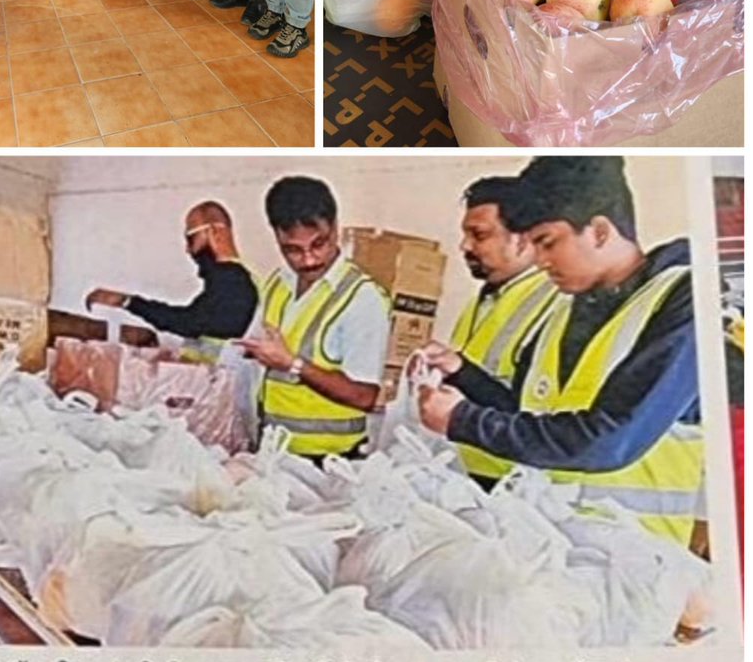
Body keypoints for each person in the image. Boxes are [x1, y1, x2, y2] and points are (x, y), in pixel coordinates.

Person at [418, 157, 702, 546]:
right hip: (551, 544)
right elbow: (526, 413)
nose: (540, 259)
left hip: (636, 559)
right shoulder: (561, 312)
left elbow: (614, 437)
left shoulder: (686, 301)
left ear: (599, 231)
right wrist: (462, 373)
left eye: (547, 242)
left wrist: (464, 420)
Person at [420, 175, 557, 490]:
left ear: (523, 239)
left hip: (515, 483)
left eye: (478, 235)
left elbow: (535, 413)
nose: (464, 246)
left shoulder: (554, 303)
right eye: (465, 234)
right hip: (470, 473)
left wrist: (459, 371)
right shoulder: (483, 301)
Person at [240, 176, 390, 462]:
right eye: (292, 250)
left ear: (335, 228)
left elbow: (365, 396)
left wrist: (293, 364)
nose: (308, 260)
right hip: (275, 453)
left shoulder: (361, 298)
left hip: (332, 462)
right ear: (276, 237)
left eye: (319, 244)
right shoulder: (278, 284)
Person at [85, 202, 258, 363]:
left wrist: (128, 302)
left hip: (224, 388)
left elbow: (189, 322)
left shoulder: (233, 281)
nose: (188, 249)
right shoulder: (231, 280)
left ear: (214, 232)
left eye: (191, 239)